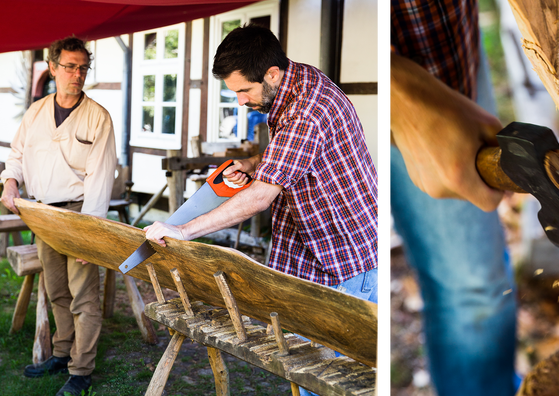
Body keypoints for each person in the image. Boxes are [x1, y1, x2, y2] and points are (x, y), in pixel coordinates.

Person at [143, 25, 379, 393]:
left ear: (271, 73)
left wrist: (183, 231)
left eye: (243, 91)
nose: (239, 100)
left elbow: (259, 198)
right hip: (315, 249)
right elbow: (295, 152)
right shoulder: (294, 80)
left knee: (333, 379)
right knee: (304, 364)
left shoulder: (306, 110)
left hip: (344, 259)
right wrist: (257, 162)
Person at [389, 0, 519, 394]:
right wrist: (400, 92)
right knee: (471, 290)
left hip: (449, 36)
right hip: (403, 91)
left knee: (481, 285)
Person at [1, 37, 117, 396]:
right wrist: (10, 183)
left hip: (80, 213)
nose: (77, 74)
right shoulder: (35, 112)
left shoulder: (98, 117)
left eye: (83, 67)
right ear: (52, 68)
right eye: (69, 66)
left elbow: (101, 178)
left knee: (83, 296)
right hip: (42, 213)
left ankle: (81, 371)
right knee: (56, 291)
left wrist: (90, 234)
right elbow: (17, 154)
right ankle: (63, 351)